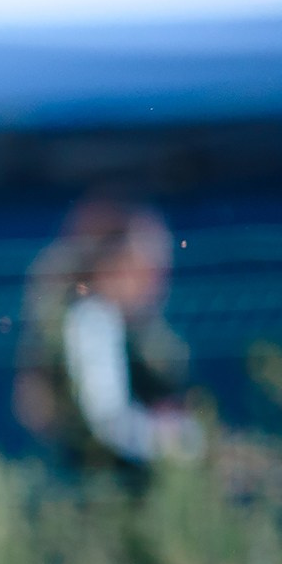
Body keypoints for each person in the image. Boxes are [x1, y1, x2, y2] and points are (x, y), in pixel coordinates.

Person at [15, 197, 203, 473]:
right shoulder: (93, 321)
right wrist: (182, 441)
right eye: (149, 264)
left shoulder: (131, 327)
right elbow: (108, 422)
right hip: (104, 485)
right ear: (117, 264)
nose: (159, 277)